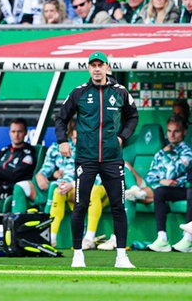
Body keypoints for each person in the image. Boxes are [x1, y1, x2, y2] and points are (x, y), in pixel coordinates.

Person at [55, 51, 139, 268]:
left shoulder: (120, 92)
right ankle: (78, 255)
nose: (96, 69)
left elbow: (133, 116)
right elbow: (61, 117)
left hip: (112, 158)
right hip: (86, 158)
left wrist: (122, 137)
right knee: (81, 205)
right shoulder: (79, 93)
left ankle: (121, 256)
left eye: (100, 65)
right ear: (88, 68)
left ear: (107, 67)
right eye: (93, 65)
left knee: (119, 206)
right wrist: (62, 141)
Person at [145, 116, 192, 253]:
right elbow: (150, 177)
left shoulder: (187, 152)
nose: (171, 135)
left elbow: (172, 173)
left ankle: (188, 239)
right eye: (169, 131)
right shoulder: (161, 152)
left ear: (184, 132)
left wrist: (166, 156)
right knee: (159, 191)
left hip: (184, 189)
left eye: (176, 131)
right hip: (171, 189)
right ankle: (162, 239)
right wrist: (161, 181)